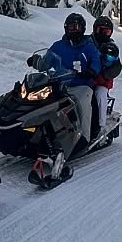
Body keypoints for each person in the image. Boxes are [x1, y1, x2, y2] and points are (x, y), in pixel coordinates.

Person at [43, 12, 102, 147]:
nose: (74, 30)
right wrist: (37, 62)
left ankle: (86, 136)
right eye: (71, 27)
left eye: (77, 27)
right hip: (60, 84)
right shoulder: (59, 46)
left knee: (83, 103)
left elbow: (96, 60)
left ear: (82, 28)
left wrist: (91, 71)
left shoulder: (88, 46)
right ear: (65, 28)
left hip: (82, 85)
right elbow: (48, 60)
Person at [91, 16, 122, 138]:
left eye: (107, 31)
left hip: (101, 82)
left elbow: (117, 66)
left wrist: (105, 74)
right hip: (84, 78)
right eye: (100, 30)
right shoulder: (88, 42)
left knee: (100, 94)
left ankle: (100, 125)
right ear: (95, 29)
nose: (103, 34)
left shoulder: (111, 46)